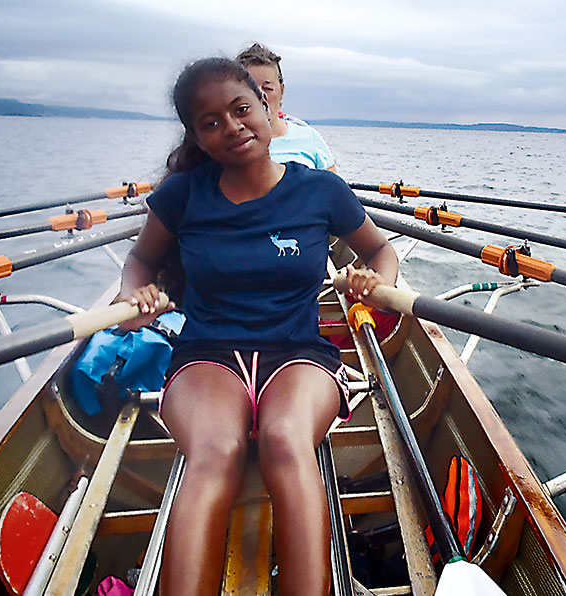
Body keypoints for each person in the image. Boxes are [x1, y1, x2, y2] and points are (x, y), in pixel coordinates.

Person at [118, 57, 398, 596]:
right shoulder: (181, 195)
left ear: (268, 108)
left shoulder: (321, 192)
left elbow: (380, 249)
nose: (232, 126)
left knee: (286, 440)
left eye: (242, 108)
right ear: (197, 137)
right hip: (206, 354)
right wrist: (136, 293)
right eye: (211, 122)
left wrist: (374, 282)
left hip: (298, 353)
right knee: (215, 450)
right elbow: (140, 262)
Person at [236, 42, 339, 173]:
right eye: (251, 88)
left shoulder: (309, 138)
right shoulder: (230, 144)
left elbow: (334, 189)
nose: (260, 96)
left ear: (282, 90)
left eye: (268, 89)